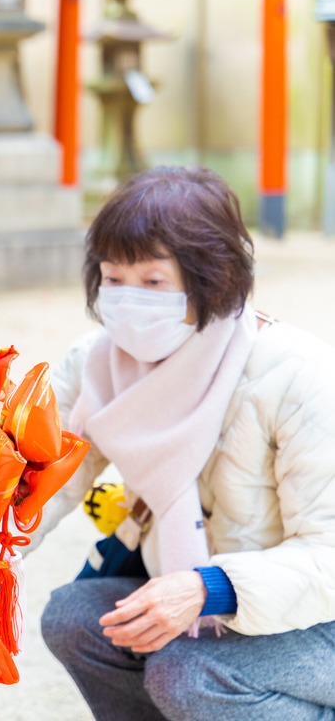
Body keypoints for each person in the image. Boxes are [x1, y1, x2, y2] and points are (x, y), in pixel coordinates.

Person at [29, 166, 335, 720]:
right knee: (75, 619)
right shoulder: (98, 364)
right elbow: (43, 477)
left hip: (318, 620)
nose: (128, 300)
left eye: (152, 282)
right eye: (113, 279)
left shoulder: (296, 372)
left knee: (187, 672)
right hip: (205, 590)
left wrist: (208, 588)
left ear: (207, 278)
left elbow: (329, 553)